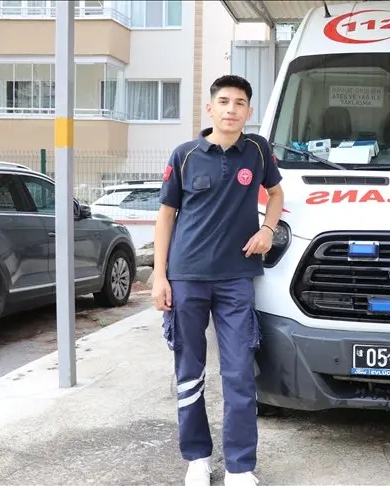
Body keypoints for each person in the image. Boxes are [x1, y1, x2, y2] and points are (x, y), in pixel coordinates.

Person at [151, 74, 284, 486]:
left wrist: (268, 229)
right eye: (223, 101)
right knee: (189, 370)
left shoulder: (258, 151)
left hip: (236, 280)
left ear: (248, 111)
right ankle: (197, 458)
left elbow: (276, 194)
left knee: (240, 372)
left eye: (240, 102)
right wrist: (160, 276)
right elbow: (166, 216)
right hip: (187, 276)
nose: (231, 109)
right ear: (210, 108)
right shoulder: (186, 154)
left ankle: (240, 466)